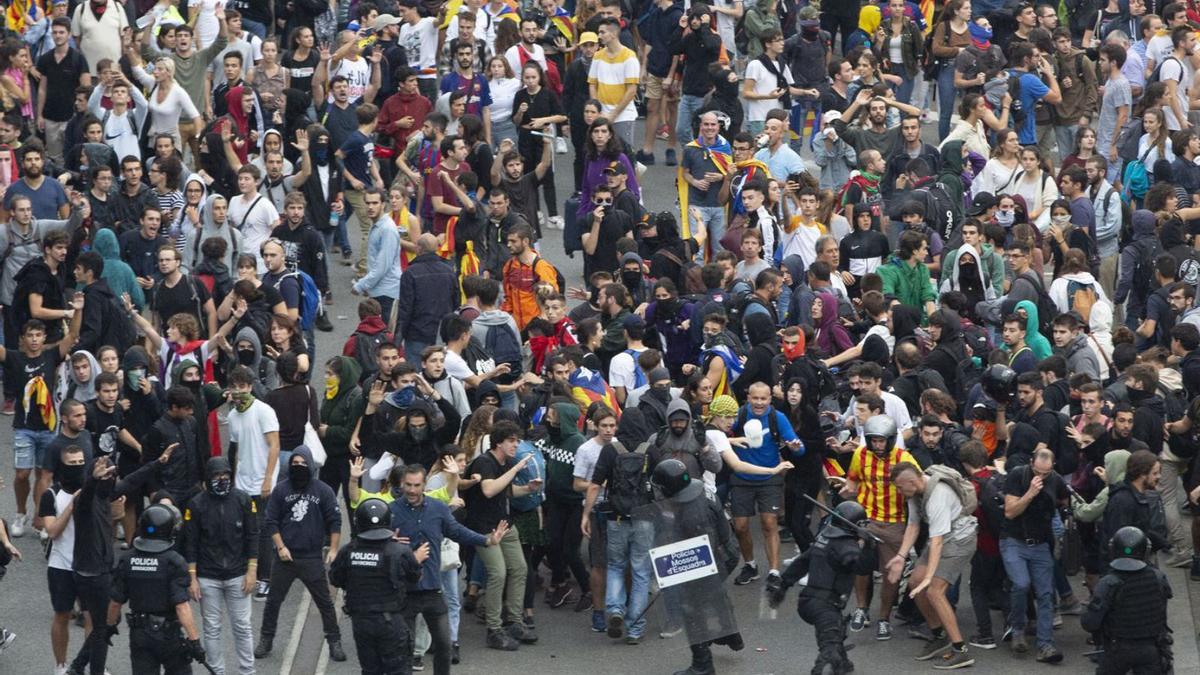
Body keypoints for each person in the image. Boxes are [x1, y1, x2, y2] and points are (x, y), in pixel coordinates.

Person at [389, 462, 511, 673]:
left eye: (416, 485)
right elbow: (375, 545)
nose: (411, 490)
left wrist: (487, 540)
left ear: (424, 484)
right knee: (403, 648)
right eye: (407, 485)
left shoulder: (437, 508)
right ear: (401, 484)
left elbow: (457, 531)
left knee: (444, 645)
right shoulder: (390, 511)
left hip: (432, 590)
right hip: (404, 591)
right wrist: (391, 544)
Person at [255, 447, 346, 661]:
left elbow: (335, 521)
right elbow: (271, 521)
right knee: (273, 602)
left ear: (311, 465)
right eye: (294, 463)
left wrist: (333, 549)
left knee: (324, 603)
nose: (298, 467)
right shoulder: (280, 490)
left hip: (311, 557)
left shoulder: (323, 490)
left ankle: (334, 641)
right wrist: (280, 547)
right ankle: (266, 640)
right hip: (285, 558)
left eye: (303, 464)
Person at [769, 500, 878, 675]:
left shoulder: (824, 539)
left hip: (807, 602)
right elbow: (863, 568)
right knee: (829, 651)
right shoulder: (847, 547)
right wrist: (869, 548)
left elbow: (801, 562)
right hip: (826, 605)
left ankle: (842, 664)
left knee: (835, 634)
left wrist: (783, 584)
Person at [888, 462, 978, 668]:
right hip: (942, 536)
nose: (899, 492)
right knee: (914, 583)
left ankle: (960, 650)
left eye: (900, 488)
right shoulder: (914, 493)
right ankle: (939, 635)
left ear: (911, 482)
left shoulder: (938, 495)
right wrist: (901, 556)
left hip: (959, 539)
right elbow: (913, 525)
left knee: (933, 591)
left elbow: (937, 541)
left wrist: (929, 578)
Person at [328, 498, 427, 675]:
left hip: (361, 622)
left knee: (370, 670)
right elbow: (416, 577)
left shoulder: (348, 551)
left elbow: (335, 579)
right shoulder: (400, 551)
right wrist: (414, 559)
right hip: (391, 622)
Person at [838, 415, 916, 639]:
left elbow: (917, 483)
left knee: (891, 574)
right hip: (866, 521)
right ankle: (862, 608)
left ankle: (884, 619)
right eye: (873, 441)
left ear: (891, 440)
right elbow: (853, 480)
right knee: (860, 566)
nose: (877, 446)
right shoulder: (860, 455)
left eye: (882, 441)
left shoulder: (904, 458)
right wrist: (846, 489)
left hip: (894, 523)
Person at [106, 503, 206, 673]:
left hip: (140, 635)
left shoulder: (127, 559)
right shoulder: (174, 561)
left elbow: (115, 602)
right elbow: (181, 606)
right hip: (169, 636)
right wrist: (194, 641)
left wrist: (109, 626)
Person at [182, 456, 257, 675]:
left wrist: (252, 571)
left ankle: (248, 671)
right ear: (208, 477)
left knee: (242, 626)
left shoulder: (243, 500)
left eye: (225, 474)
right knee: (212, 628)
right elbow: (190, 543)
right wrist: (192, 577)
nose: (221, 479)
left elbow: (253, 536)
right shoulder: (196, 505)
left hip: (238, 575)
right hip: (208, 577)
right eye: (216, 475)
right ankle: (216, 671)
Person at [1001, 447, 1067, 662]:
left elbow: (1065, 501)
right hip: (1014, 541)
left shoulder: (1055, 481)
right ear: (1031, 463)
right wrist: (1030, 493)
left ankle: (1045, 644)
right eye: (1038, 471)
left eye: (1046, 473)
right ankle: (1017, 628)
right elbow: (1010, 512)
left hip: (1040, 544)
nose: (1042, 477)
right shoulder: (1017, 475)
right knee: (1021, 584)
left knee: (1046, 593)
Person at [1080, 526, 1173, 675]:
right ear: (1146, 551)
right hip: (1152, 649)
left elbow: (1090, 623)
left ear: (1113, 550)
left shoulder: (1108, 583)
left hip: (1117, 651)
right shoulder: (1158, 577)